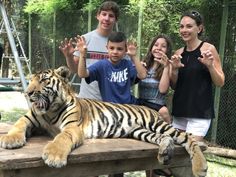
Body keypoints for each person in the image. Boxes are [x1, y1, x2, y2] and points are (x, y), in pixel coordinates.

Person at [160, 10, 225, 142]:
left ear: (199, 28)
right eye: (182, 26)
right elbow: (174, 86)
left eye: (189, 26)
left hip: (200, 113)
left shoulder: (208, 49)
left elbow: (220, 82)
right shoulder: (179, 53)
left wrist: (210, 66)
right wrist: (174, 70)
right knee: (176, 155)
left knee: (191, 152)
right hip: (180, 111)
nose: (184, 30)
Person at [59, 1, 120, 100]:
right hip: (88, 100)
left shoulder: (119, 42)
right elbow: (75, 70)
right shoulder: (85, 39)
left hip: (112, 101)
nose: (106, 18)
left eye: (111, 16)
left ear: (116, 20)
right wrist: (69, 56)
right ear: (98, 16)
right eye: (104, 14)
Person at [77, 31, 147, 104]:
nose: (115, 52)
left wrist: (134, 56)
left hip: (129, 106)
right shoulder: (101, 65)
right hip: (111, 108)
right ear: (107, 48)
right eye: (112, 48)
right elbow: (82, 74)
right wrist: (82, 54)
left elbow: (143, 75)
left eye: (119, 49)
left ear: (125, 50)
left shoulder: (127, 64)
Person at [138, 34, 172, 124]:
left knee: (164, 112)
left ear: (167, 50)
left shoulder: (169, 66)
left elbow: (163, 90)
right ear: (151, 47)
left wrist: (166, 67)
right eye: (156, 45)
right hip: (141, 103)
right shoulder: (144, 63)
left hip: (157, 106)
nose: (159, 48)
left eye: (163, 46)